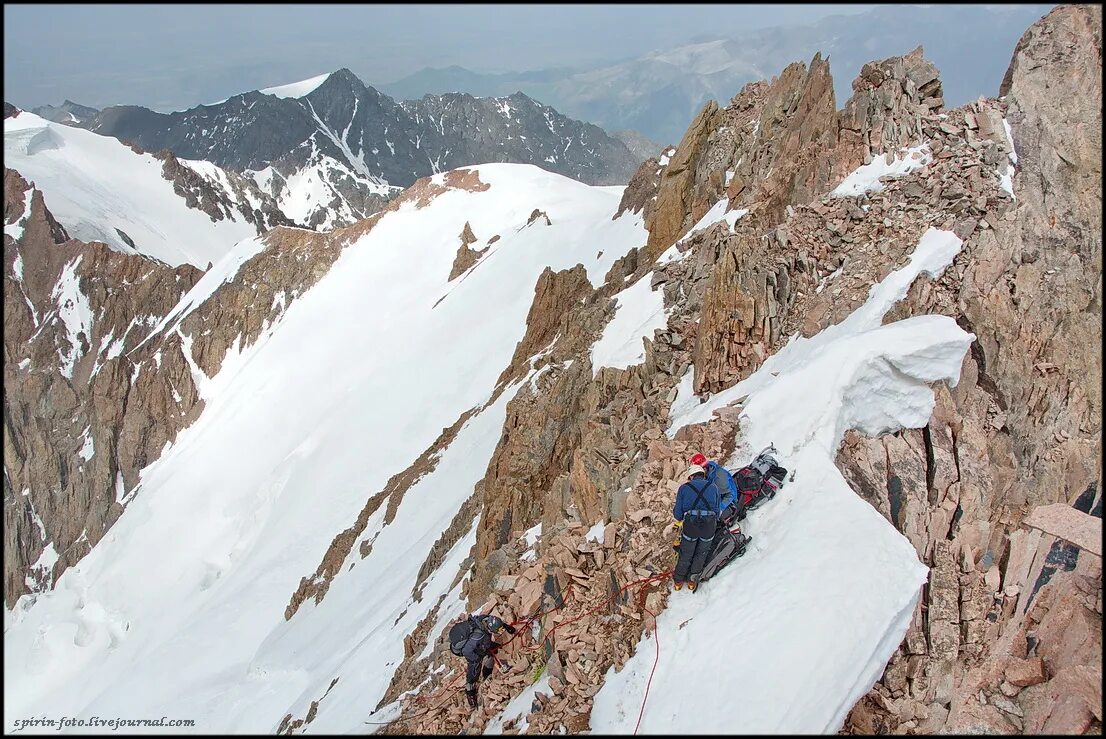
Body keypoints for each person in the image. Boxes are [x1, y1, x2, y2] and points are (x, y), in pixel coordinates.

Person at [671, 463, 722, 592]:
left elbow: (678, 514)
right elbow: (717, 512)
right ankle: (692, 581)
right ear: (703, 475)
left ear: (691, 476)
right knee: (701, 554)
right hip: (708, 526)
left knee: (686, 553)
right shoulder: (714, 487)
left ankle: (678, 581)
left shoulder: (684, 488)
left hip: (691, 525)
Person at [453, 613, 517, 708]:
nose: (501, 631)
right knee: (474, 667)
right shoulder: (477, 636)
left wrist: (506, 626)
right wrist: (477, 658)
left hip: (479, 642)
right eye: (499, 630)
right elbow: (467, 651)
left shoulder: (485, 619)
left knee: (491, 650)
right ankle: (470, 691)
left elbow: (496, 624)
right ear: (491, 629)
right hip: (467, 649)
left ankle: (486, 673)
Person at [690, 452, 739, 525]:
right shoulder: (706, 475)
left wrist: (720, 509)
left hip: (728, 502)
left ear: (704, 468)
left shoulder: (718, 477)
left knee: (711, 521)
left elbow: (729, 495)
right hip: (716, 498)